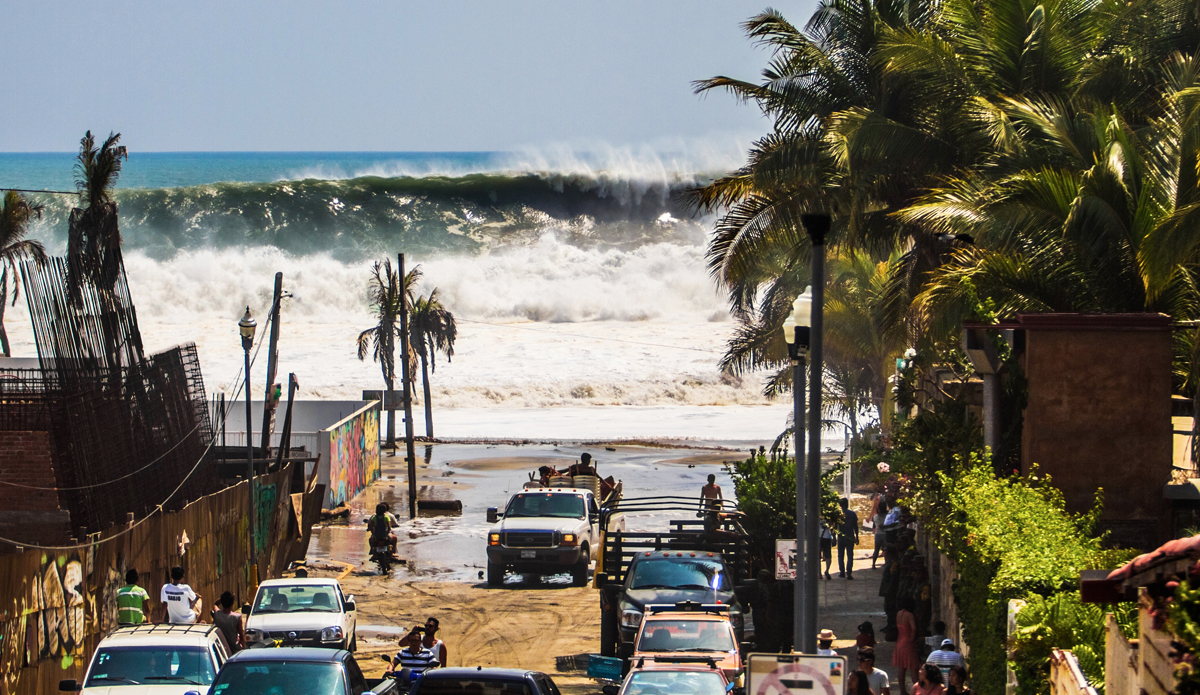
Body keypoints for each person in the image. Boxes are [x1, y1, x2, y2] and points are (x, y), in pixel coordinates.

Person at [893, 597, 921, 695]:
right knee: (914, 667)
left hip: (899, 642)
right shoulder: (910, 615)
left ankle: (902, 691)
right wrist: (912, 639)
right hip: (908, 643)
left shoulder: (899, 614)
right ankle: (919, 691)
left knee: (901, 668)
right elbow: (914, 629)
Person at [838, 498, 859, 579]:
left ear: (840, 505)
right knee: (850, 555)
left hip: (841, 537)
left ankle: (842, 572)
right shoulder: (852, 514)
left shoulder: (839, 514)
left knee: (841, 555)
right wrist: (857, 537)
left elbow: (835, 526)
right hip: (850, 536)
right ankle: (849, 572)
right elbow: (855, 527)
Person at [871, 495, 887, 568]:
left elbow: (874, 526)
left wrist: (874, 530)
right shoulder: (887, 516)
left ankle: (873, 564)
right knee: (885, 550)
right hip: (885, 534)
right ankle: (886, 563)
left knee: (876, 550)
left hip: (878, 534)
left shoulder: (875, 517)